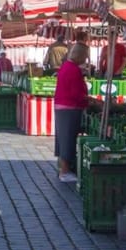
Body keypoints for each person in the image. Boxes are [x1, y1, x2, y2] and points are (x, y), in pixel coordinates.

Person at [52, 44, 89, 185]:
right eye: (85, 56)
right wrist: (88, 100)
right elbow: (76, 93)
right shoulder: (73, 70)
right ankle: (65, 171)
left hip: (62, 106)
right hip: (69, 107)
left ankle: (64, 169)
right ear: (80, 56)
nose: (86, 59)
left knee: (63, 138)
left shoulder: (67, 66)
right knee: (67, 139)